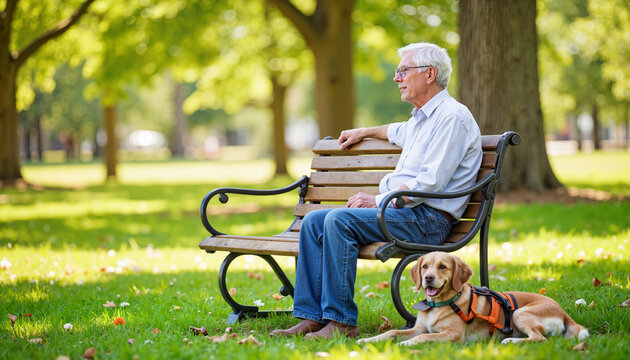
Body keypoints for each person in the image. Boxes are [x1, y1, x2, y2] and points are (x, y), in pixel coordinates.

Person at [270, 42, 482, 339]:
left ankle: (342, 321)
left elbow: (430, 184)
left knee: (338, 221)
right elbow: (396, 131)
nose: (397, 78)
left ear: (430, 74)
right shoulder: (423, 118)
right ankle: (312, 316)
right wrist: (365, 131)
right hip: (407, 213)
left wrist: (377, 201)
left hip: (427, 220)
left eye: (403, 71)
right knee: (315, 221)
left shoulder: (452, 118)